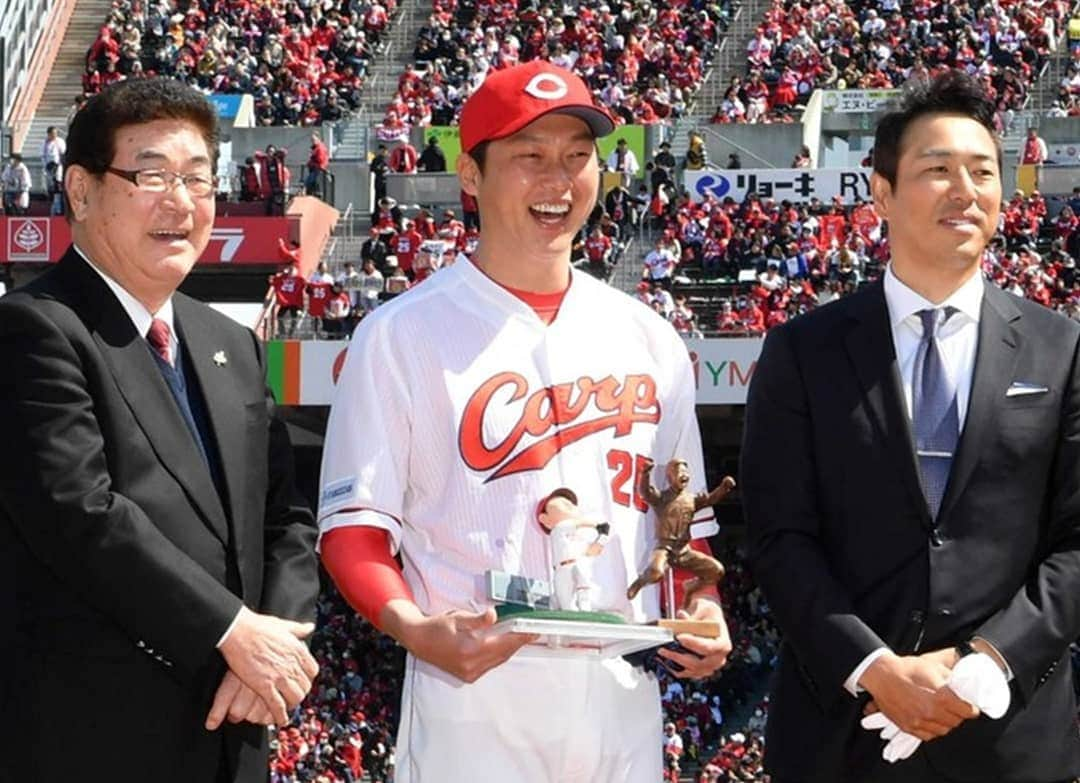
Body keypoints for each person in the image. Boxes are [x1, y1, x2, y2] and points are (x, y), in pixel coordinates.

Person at [317, 60, 731, 783]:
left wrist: (705, 606)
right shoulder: (400, 333)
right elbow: (353, 527)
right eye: (529, 156)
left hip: (620, 680)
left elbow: (685, 528)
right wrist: (413, 627)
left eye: (578, 157)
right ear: (470, 175)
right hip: (475, 686)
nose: (559, 179)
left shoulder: (649, 335)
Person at [742, 70, 1080, 783]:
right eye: (938, 169)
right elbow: (779, 537)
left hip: (1010, 742)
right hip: (839, 741)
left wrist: (988, 661)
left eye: (982, 171)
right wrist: (874, 667)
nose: (965, 188)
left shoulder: (1064, 347)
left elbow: (1076, 539)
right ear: (883, 192)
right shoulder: (802, 351)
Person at [0, 77, 320, 782]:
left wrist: (277, 642)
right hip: (93, 741)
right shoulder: (35, 328)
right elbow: (79, 514)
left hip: (233, 733)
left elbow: (286, 517)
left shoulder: (228, 343)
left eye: (199, 177)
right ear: (81, 192)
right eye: (151, 174)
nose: (181, 200)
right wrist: (234, 632)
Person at [41, 125, 67, 215]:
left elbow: (63, 154)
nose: (53, 136)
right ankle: (52, 203)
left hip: (58, 167)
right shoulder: (44, 143)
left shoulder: (60, 142)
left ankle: (59, 208)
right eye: (52, 134)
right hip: (48, 167)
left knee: (58, 186)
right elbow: (43, 156)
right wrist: (46, 166)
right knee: (50, 187)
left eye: (55, 134)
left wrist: (59, 165)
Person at [306, 132, 330, 199]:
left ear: (318, 138)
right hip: (315, 170)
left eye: (313, 139)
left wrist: (311, 163)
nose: (312, 141)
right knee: (309, 185)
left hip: (318, 171)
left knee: (308, 185)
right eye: (311, 140)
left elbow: (320, 161)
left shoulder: (320, 148)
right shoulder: (316, 148)